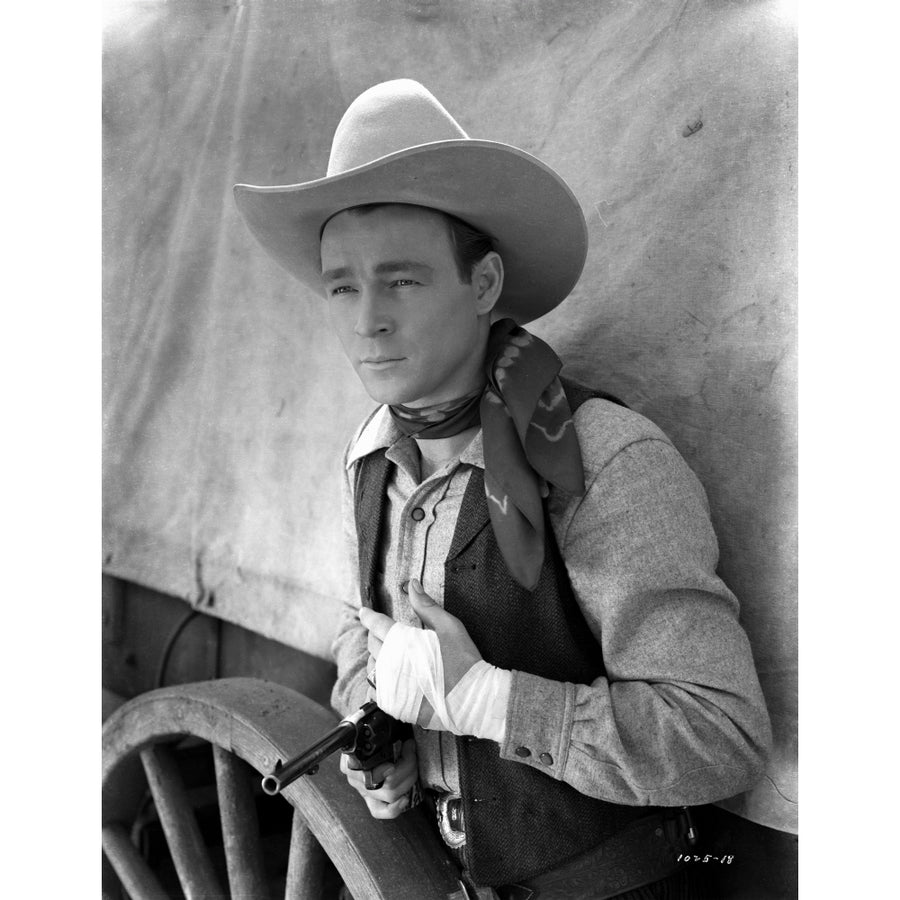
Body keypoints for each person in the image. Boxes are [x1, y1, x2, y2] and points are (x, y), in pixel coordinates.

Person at [234, 79, 772, 900]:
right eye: (342, 285)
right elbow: (361, 632)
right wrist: (377, 737)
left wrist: (490, 702)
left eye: (403, 281)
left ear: (483, 286)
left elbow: (721, 736)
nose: (366, 319)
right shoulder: (367, 457)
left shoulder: (601, 461)